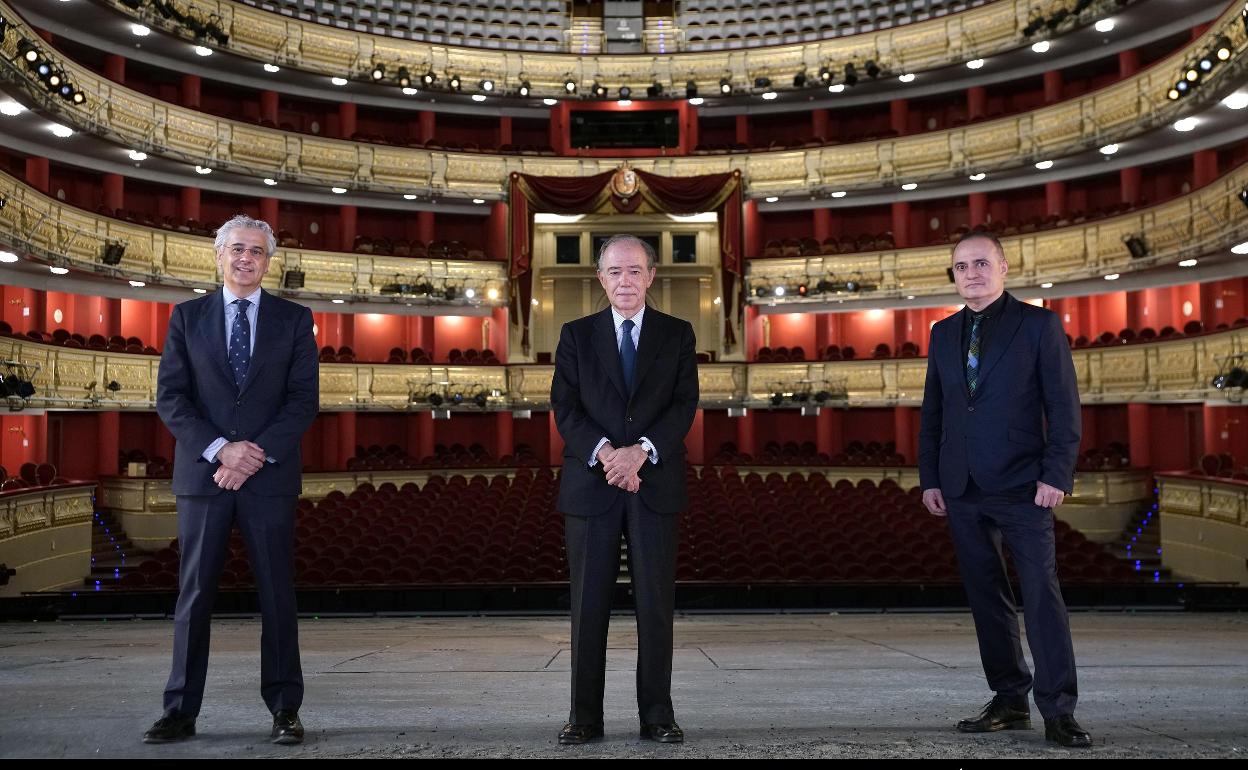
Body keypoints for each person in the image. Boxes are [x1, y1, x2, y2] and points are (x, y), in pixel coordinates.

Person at [143, 214, 319, 745]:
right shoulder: (186, 317)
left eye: (257, 252)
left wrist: (251, 454)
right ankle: (180, 711)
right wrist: (223, 449)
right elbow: (171, 398)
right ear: (218, 255)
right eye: (237, 249)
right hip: (204, 477)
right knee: (194, 596)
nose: (246, 259)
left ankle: (285, 709)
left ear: (269, 261)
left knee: (277, 595)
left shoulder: (294, 319)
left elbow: (301, 402)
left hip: (267, 477)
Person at [917, 231, 1090, 748]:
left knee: (1041, 595)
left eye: (980, 263)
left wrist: (1057, 474)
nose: (971, 273)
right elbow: (935, 411)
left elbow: (1063, 407)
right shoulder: (943, 333)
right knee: (987, 599)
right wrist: (930, 476)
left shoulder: (1039, 325)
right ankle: (1010, 699)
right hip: (962, 484)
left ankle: (1058, 708)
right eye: (961, 266)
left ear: (1004, 268)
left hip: (1022, 484)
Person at [550, 234, 699, 745]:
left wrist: (640, 451)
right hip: (592, 484)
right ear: (601, 278)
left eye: (635, 271)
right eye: (615, 272)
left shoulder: (678, 334)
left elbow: (683, 407)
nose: (625, 281)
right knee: (587, 607)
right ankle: (584, 718)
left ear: (651, 276)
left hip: (654, 482)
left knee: (655, 607)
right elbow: (565, 408)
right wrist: (609, 454)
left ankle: (657, 715)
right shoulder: (575, 334)